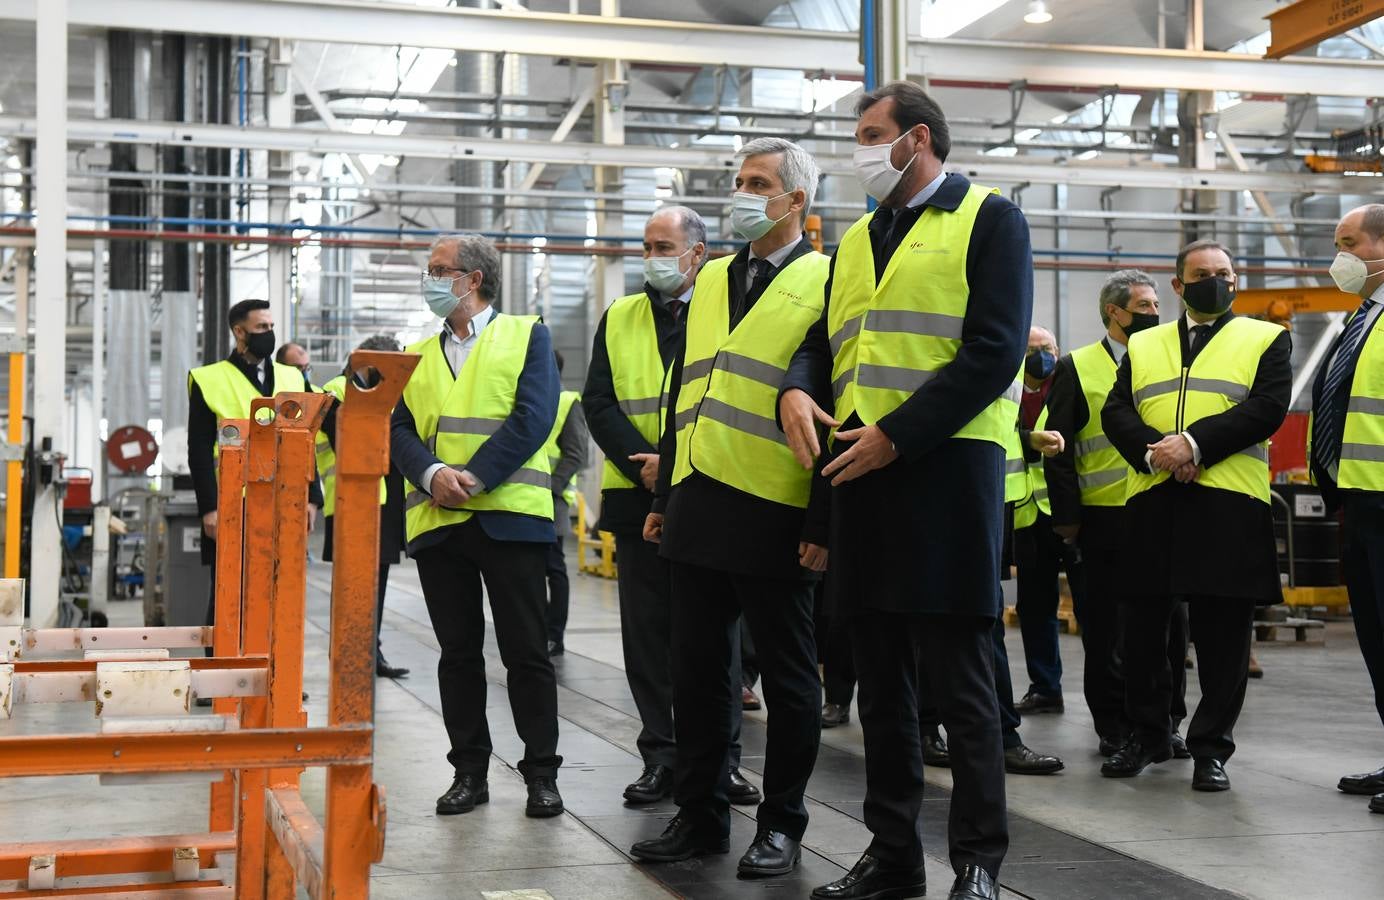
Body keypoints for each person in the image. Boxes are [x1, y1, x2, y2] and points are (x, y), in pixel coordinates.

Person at [781, 80, 1031, 900]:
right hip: (863, 471)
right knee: (880, 685)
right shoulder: (856, 239)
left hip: (949, 471)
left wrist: (900, 435)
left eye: (868, 133)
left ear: (916, 139)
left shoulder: (990, 220)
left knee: (961, 685)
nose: (858, 150)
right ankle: (892, 858)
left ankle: (977, 866)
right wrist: (795, 384)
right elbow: (826, 339)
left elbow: (993, 351)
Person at [630, 137, 829, 880]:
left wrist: (822, 521)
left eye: (757, 183)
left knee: (785, 678)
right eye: (738, 180)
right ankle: (701, 812)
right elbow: (686, 390)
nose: (741, 192)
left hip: (778, 505)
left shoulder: (828, 280)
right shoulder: (711, 279)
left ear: (796, 203)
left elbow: (837, 400)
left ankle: (782, 824)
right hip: (701, 501)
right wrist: (666, 492)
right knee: (699, 671)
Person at [583, 206, 758, 808]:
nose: (653, 257)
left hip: (709, 491)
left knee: (718, 638)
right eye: (647, 246)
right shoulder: (621, 315)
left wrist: (676, 460)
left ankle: (723, 763)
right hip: (637, 497)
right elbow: (599, 402)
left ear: (699, 253)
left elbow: (738, 393)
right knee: (649, 636)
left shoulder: (731, 311)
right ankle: (660, 756)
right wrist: (649, 460)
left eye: (664, 246)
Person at [1100, 240, 1290, 792]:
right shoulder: (1146, 342)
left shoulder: (1265, 338)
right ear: (1178, 286)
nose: (1217, 281)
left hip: (1227, 501)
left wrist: (1193, 444)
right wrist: (1157, 453)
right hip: (1153, 497)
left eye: (1225, 273)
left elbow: (1267, 408)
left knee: (1223, 635)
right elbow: (1117, 409)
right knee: (1141, 630)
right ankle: (1148, 735)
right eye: (1203, 274)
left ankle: (1211, 749)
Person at [389, 233, 564, 819]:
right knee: (457, 654)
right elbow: (399, 431)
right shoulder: (413, 354)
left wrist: (476, 476)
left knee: (526, 653)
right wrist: (433, 472)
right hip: (440, 522)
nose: (430, 278)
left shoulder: (526, 335)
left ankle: (542, 773)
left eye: (441, 270)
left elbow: (534, 417)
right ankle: (469, 772)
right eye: (430, 269)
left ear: (474, 280)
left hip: (510, 518)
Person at [1043, 270, 1189, 756]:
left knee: (1170, 627)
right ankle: (1114, 723)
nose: (1154, 313)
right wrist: (1068, 519)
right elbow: (1058, 448)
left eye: (1155, 306)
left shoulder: (1174, 361)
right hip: (1103, 517)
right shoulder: (1079, 366)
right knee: (1106, 628)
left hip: (1162, 510)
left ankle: (1166, 721)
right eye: (1144, 306)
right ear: (1115, 312)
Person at [1310, 204, 1384, 816]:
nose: (1341, 256)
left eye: (1349, 242)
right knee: (1376, 638)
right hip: (1359, 502)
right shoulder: (1363, 318)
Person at [187, 299, 319, 641]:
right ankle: (221, 682)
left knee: (282, 591)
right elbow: (199, 449)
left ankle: (278, 681)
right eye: (262, 328)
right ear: (239, 332)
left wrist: (312, 498)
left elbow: (307, 439)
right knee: (229, 590)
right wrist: (210, 508)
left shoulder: (292, 377)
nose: (269, 334)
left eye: (272, 327)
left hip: (285, 500)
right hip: (234, 504)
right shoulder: (209, 379)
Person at [317, 334, 410, 680]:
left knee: (378, 581)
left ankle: (371, 649)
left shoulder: (386, 396)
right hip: (350, 502)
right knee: (351, 583)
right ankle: (349, 652)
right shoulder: (335, 393)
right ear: (372, 364)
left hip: (384, 503)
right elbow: (352, 445)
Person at [1012, 326, 1086, 716]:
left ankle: (1112, 694)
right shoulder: (1005, 389)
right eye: (1033, 349)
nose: (1042, 355)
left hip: (1072, 511)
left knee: (1091, 606)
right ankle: (1045, 688)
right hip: (1029, 514)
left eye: (1048, 348)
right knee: (1035, 606)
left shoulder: (1070, 384)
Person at [542, 350, 589, 657]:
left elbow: (576, 454)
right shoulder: (528, 398)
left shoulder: (566, 402)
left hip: (551, 501)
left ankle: (554, 635)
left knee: (553, 568)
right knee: (531, 569)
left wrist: (551, 489)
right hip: (523, 500)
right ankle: (538, 630)